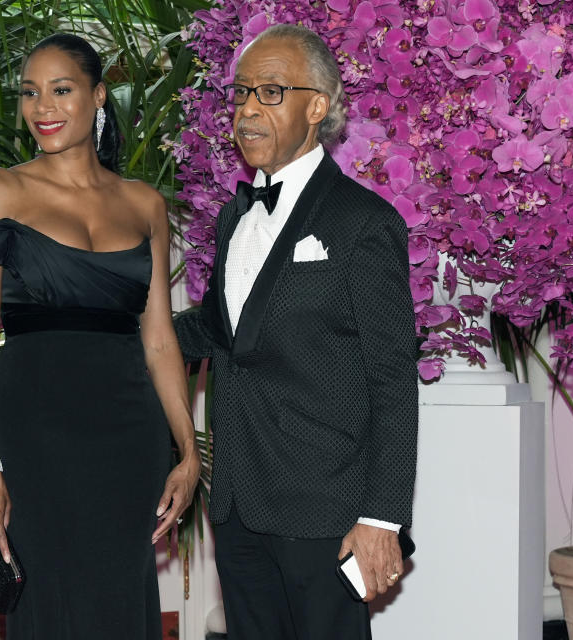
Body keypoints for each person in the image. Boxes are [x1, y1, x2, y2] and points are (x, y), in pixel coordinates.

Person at [0, 33, 201, 640]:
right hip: (35, 442)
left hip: (129, 440)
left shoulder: (144, 203)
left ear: (99, 96)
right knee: (46, 604)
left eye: (61, 90)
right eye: (30, 93)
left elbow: (158, 340)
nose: (42, 108)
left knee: (123, 599)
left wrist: (187, 453)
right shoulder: (1, 191)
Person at [173, 24, 418, 640]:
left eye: (271, 92)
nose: (249, 109)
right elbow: (221, 330)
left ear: (318, 105)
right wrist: (121, 333)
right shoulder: (235, 218)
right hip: (236, 503)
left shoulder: (364, 223)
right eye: (241, 94)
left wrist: (382, 518)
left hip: (324, 509)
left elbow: (393, 378)